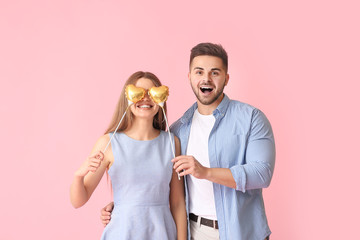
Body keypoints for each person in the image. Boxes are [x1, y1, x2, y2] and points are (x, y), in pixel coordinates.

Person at [101, 43, 276, 240]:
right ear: (190, 77)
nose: (206, 79)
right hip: (195, 232)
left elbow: (262, 173)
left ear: (226, 79)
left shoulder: (251, 118)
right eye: (199, 72)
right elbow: (161, 184)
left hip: (243, 233)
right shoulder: (178, 131)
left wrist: (206, 172)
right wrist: (125, 207)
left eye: (215, 73)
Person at [70, 71, 187, 240]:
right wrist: (78, 176)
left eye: (152, 93)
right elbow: (78, 201)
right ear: (128, 97)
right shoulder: (108, 143)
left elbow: (177, 203)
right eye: (139, 93)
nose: (145, 98)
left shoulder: (171, 142)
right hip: (122, 232)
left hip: (161, 232)